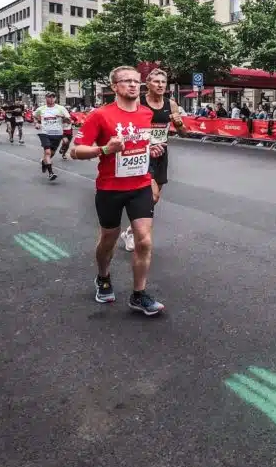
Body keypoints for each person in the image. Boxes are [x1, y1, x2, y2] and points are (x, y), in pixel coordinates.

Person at [69, 65, 165, 316]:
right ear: (114, 87)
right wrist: (104, 150)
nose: (134, 85)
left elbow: (140, 144)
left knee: (143, 240)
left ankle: (138, 294)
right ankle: (103, 277)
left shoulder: (145, 114)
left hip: (140, 185)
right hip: (110, 189)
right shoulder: (99, 116)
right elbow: (75, 151)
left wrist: (151, 149)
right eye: (126, 81)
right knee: (108, 241)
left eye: (137, 81)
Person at [120, 68, 188, 253]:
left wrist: (179, 123)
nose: (160, 85)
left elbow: (183, 133)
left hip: (161, 154)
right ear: (147, 84)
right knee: (153, 195)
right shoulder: (138, 103)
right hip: (141, 154)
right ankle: (135, 233)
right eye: (156, 82)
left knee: (153, 200)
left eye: (163, 82)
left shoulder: (171, 104)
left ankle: (129, 231)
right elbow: (125, 127)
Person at [34, 92, 71, 182]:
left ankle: (44, 162)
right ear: (46, 98)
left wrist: (62, 117)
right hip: (45, 133)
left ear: (55, 99)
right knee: (47, 153)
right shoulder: (41, 109)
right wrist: (37, 123)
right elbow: (35, 116)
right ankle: (51, 173)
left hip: (57, 133)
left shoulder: (61, 108)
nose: (50, 99)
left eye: (52, 97)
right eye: (48, 97)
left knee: (52, 153)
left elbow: (69, 121)